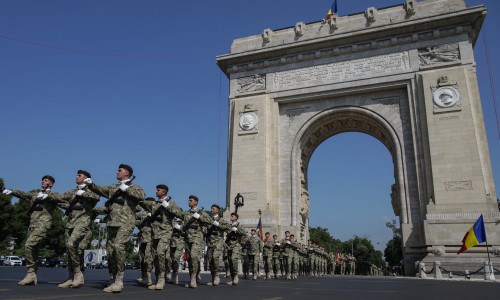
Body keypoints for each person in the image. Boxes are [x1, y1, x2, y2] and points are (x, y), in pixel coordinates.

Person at [85, 164, 145, 293]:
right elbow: (100, 190)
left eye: (120, 170)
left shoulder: (134, 187)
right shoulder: (113, 187)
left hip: (126, 223)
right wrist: (91, 184)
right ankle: (112, 278)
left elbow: (141, 196)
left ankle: (119, 280)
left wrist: (127, 190)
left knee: (118, 248)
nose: (117, 172)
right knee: (111, 252)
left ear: (127, 174)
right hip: (112, 223)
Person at [3, 175, 61, 286]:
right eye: (43, 180)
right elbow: (23, 194)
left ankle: (30, 272)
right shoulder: (36, 195)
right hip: (32, 225)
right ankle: (32, 274)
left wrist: (48, 195)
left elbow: (60, 198)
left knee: (29, 245)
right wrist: (12, 191)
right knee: (34, 249)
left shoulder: (52, 195)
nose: (43, 181)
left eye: (46, 180)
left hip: (43, 225)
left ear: (51, 184)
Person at [56, 170, 100, 288]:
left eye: (79, 175)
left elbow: (97, 197)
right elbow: (60, 197)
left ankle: (78, 273)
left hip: (83, 222)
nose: (77, 177)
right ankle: (71, 277)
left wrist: (84, 193)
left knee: (72, 245)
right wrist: (49, 197)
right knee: (70, 250)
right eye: (77, 175)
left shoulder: (90, 191)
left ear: (86, 178)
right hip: (70, 223)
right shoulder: (73, 191)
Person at [140, 184, 180, 290]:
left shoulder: (171, 203)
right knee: (156, 257)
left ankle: (162, 279)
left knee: (160, 252)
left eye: (158, 190)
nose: (156, 192)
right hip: (155, 234)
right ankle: (157, 279)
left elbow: (180, 214)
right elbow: (142, 203)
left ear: (164, 192)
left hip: (165, 233)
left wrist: (168, 206)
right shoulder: (154, 204)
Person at [169, 195, 212, 288]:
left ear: (196, 202)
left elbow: (210, 221)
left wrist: (199, 217)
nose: (189, 202)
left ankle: (193, 279)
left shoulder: (202, 213)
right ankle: (194, 276)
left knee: (193, 256)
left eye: (190, 200)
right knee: (189, 259)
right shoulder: (186, 213)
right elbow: (178, 215)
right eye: (188, 200)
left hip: (197, 238)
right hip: (188, 238)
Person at [206, 204, 230, 286]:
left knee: (215, 257)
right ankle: (213, 278)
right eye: (211, 208)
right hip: (210, 242)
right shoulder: (209, 220)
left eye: (213, 209)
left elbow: (228, 227)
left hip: (219, 241)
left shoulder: (222, 219)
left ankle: (216, 275)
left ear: (217, 211)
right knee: (210, 260)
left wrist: (218, 225)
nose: (211, 210)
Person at [135, 197, 154, 286]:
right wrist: (140, 224)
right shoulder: (142, 214)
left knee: (148, 258)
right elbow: (133, 218)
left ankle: (148, 277)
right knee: (141, 258)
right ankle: (143, 276)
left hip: (151, 238)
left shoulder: (156, 214)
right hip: (142, 238)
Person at [225, 213, 245, 286]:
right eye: (231, 216)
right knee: (230, 261)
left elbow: (244, 233)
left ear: (236, 218)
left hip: (236, 245)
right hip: (229, 245)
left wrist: (237, 230)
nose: (230, 217)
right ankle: (233, 278)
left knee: (234, 259)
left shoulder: (239, 226)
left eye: (232, 216)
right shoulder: (229, 226)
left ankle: (236, 276)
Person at [168, 216, 184, 285]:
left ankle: (175, 275)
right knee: (170, 259)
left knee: (176, 258)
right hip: (172, 243)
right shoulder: (172, 221)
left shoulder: (184, 222)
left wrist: (180, 229)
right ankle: (171, 275)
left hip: (180, 243)